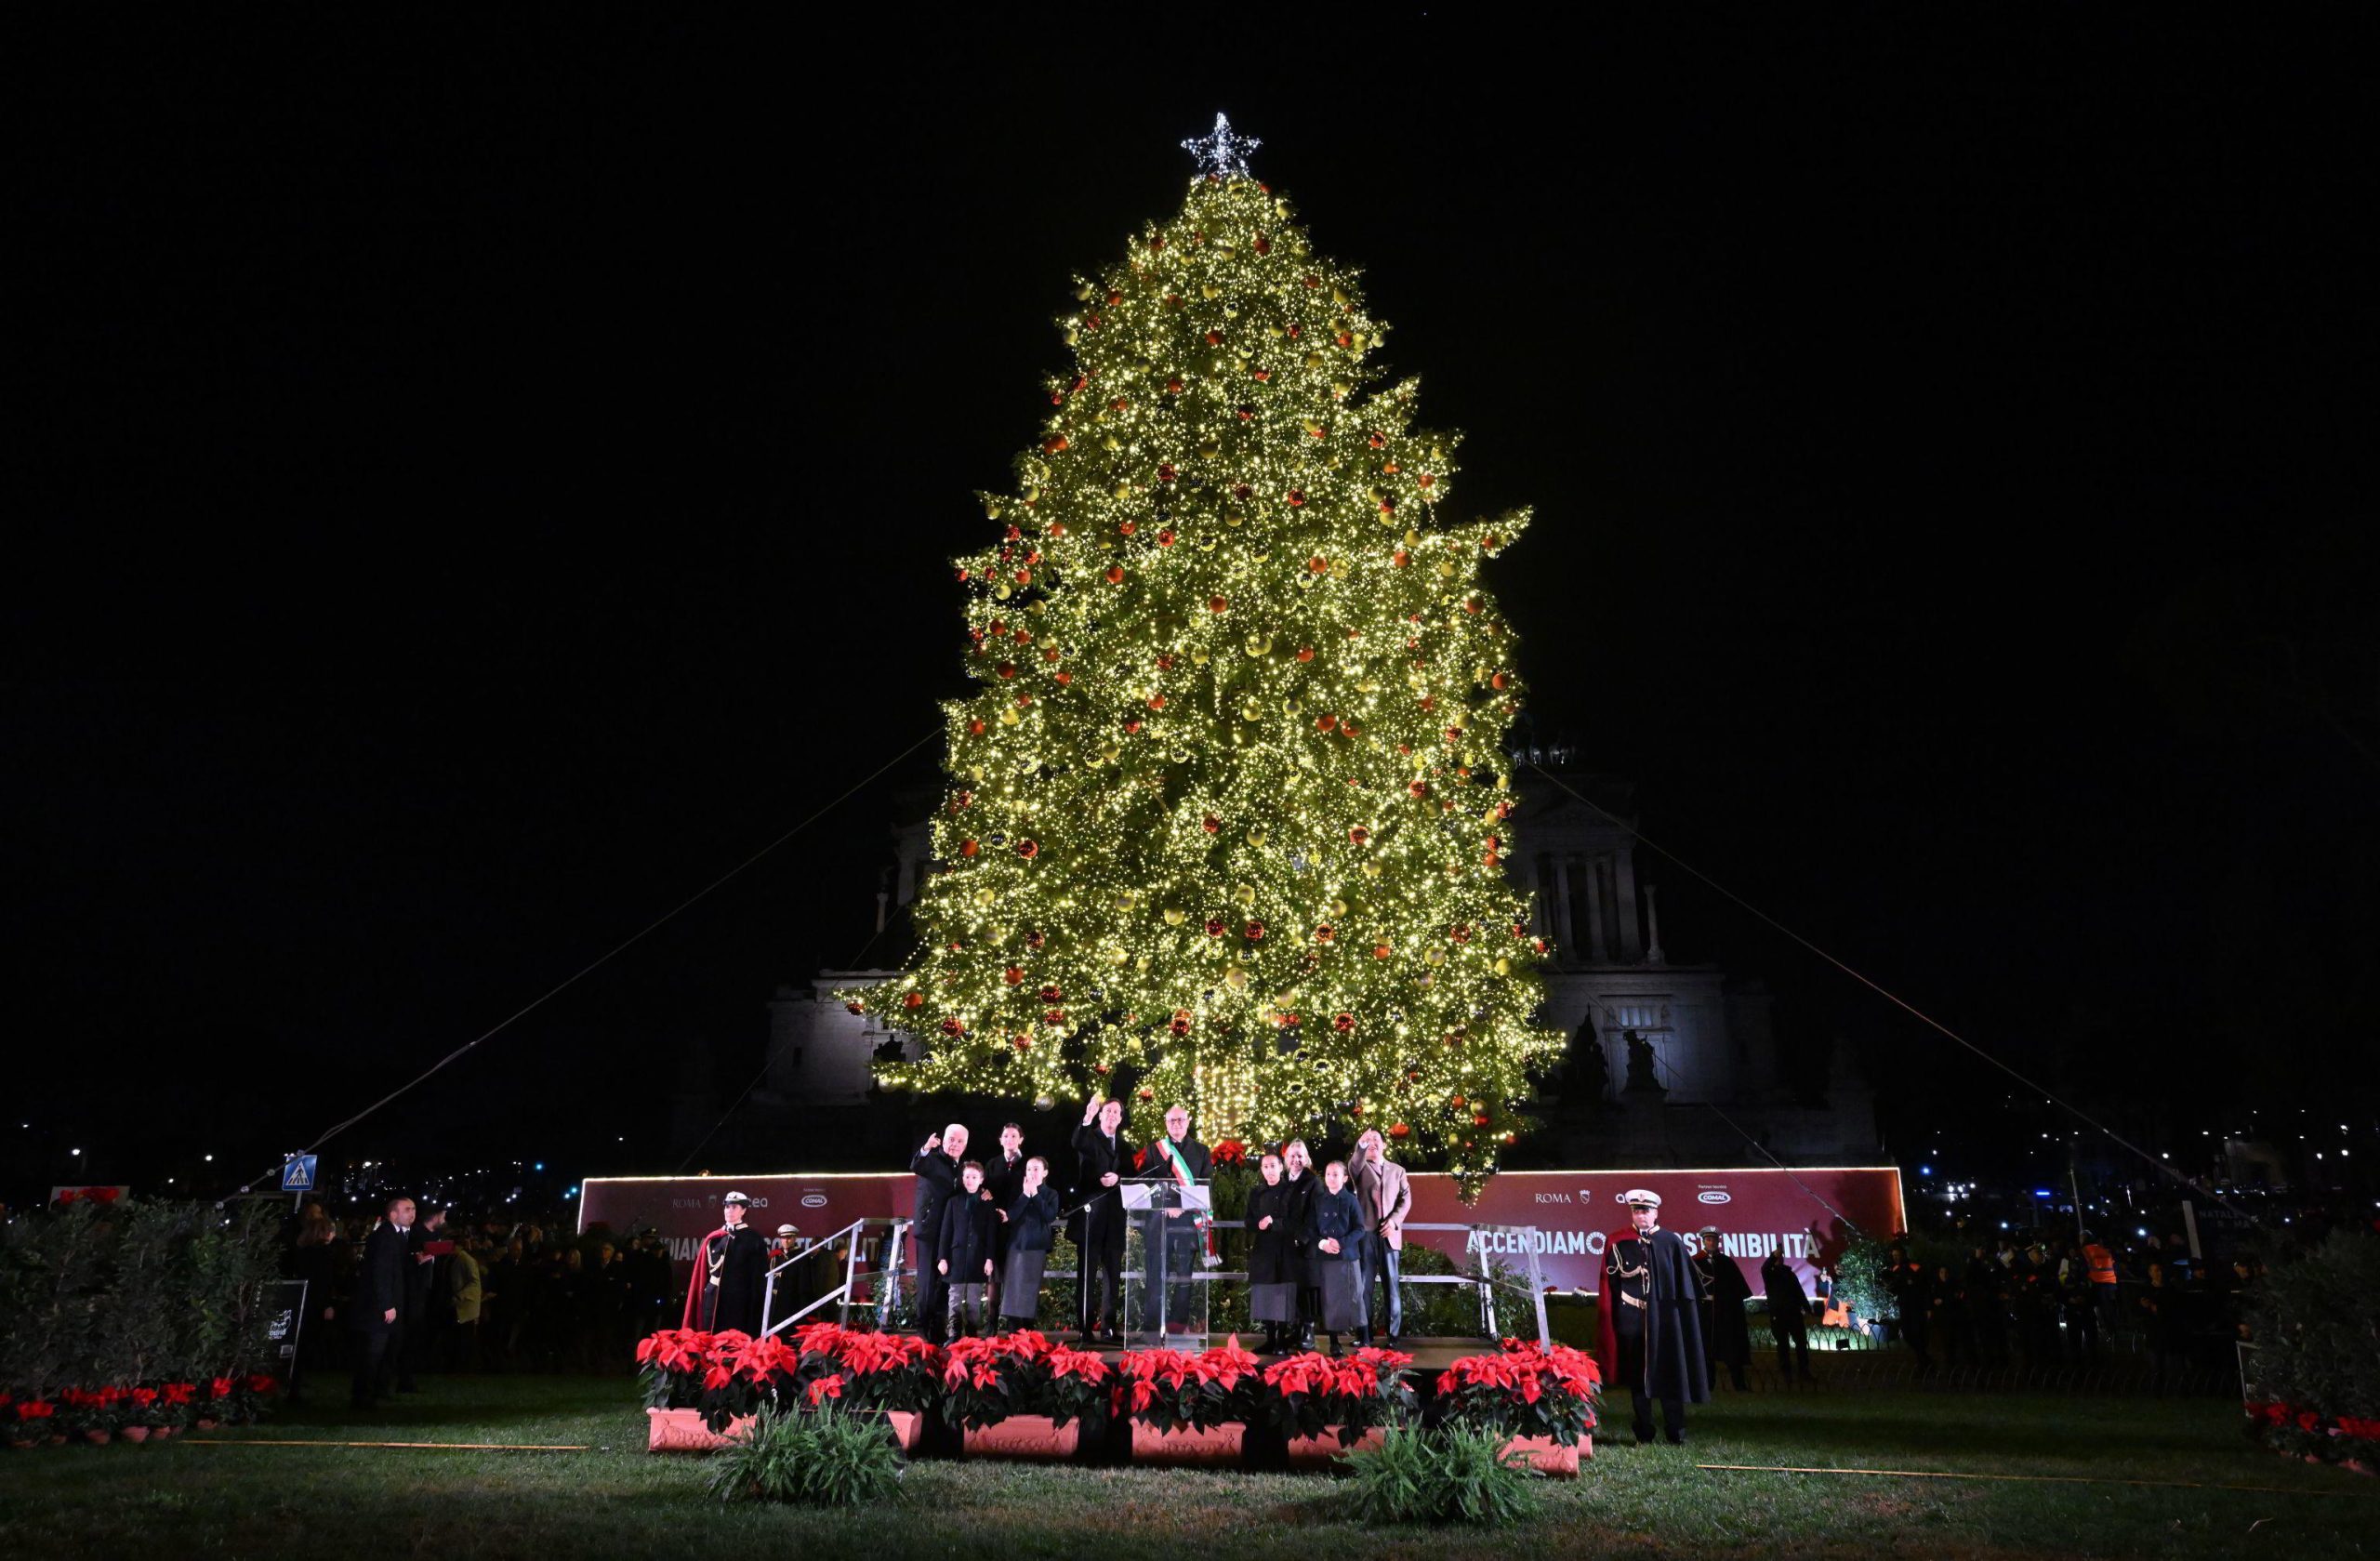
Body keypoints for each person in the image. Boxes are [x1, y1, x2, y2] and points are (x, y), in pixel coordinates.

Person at [1596, 1190, 1709, 1445]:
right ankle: (1644, 1432)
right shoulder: (1617, 1241)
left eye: (1645, 1211)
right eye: (1636, 1211)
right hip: (1633, 1319)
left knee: (1670, 1373)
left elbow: (1685, 1286)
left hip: (1666, 1321)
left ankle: (1675, 1431)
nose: (1641, 1215)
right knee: (1638, 1379)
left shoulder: (1670, 1242)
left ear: (1656, 1213)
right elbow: (1610, 1283)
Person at [1130, 1102, 1212, 1336]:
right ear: (1166, 1124)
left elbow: (1207, 1186)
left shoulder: (1202, 1151)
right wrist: (1165, 1206)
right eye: (1172, 1121)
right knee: (1156, 1273)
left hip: (1188, 1222)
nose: (1176, 1124)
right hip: (1159, 1221)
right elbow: (1146, 1183)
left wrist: (1182, 1206)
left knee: (1184, 1275)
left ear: (1188, 1122)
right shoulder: (1155, 1150)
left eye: (1180, 1120)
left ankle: (1177, 1326)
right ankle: (1152, 1328)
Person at [1071, 1095, 1130, 1343]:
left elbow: (1132, 1175)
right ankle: (1085, 1328)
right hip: (1090, 1218)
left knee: (1113, 1275)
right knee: (1086, 1275)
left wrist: (1119, 1179)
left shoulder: (1125, 1146)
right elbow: (1077, 1141)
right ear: (1100, 1114)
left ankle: (1109, 1326)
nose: (1112, 1115)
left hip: (1115, 1220)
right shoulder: (1089, 1136)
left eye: (1117, 1112)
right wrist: (1086, 1117)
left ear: (1121, 1118)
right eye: (1108, 1111)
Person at [350, 1195, 415, 1409]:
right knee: (373, 1353)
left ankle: (377, 1391)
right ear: (393, 1214)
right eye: (407, 1209)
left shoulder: (397, 1236)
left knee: (386, 1351)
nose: (412, 1214)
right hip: (379, 1307)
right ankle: (363, 1396)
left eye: (413, 1209)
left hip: (390, 1304)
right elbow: (381, 1272)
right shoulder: (385, 1237)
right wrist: (387, 1304)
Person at [1351, 1129, 1412, 1343]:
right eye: (1368, 1140)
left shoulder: (1398, 1171)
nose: (1373, 1143)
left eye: (1376, 1139)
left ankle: (1393, 1336)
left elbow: (1406, 1199)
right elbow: (1353, 1164)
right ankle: (1364, 1335)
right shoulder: (1359, 1168)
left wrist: (1394, 1221)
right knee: (1363, 1287)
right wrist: (1361, 1145)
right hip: (1365, 1236)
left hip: (1389, 1235)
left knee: (1392, 1287)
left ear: (1385, 1145)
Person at [909, 1124, 969, 1343]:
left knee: (945, 1282)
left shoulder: (963, 1168)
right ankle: (922, 1328)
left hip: (950, 1233)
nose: (955, 1144)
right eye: (951, 1139)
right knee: (927, 1281)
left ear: (965, 1145)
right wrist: (926, 1148)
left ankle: (938, 1329)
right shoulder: (932, 1160)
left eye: (960, 1141)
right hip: (929, 1230)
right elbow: (917, 1164)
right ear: (943, 1140)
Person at [1306, 1160, 1370, 1353]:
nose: (1331, 1178)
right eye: (1328, 1174)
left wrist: (1341, 1243)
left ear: (1344, 1178)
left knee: (1355, 1297)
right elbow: (1311, 1229)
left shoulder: (1351, 1200)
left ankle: (1364, 1339)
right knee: (1330, 1300)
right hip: (1326, 1257)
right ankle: (1334, 1342)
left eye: (1335, 1175)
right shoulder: (1318, 1200)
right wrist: (1323, 1243)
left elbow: (1360, 1229)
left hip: (1347, 1257)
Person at [686, 1191, 769, 1336]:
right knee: (709, 1336)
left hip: (738, 1298)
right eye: (727, 1207)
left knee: (733, 1339)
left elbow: (758, 1278)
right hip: (713, 1295)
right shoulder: (714, 1238)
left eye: (734, 1207)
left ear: (744, 1210)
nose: (729, 1210)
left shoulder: (754, 1239)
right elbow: (703, 1273)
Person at [997, 1156, 1060, 1332]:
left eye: (1036, 1169)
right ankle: (1013, 1327)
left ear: (1045, 1173)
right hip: (1017, 1245)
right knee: (1013, 1287)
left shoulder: (1051, 1194)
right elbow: (1011, 1216)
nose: (1032, 1172)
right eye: (1029, 1169)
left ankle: (1028, 1328)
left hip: (1037, 1246)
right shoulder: (1018, 1190)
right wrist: (1026, 1194)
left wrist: (1035, 1195)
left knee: (1031, 1287)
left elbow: (1049, 1216)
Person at [1245, 1151, 1300, 1354]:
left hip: (1285, 1249)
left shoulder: (1291, 1191)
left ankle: (1281, 1341)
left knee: (1282, 1294)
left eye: (1273, 1166)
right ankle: (1269, 1340)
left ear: (1281, 1167)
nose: (1269, 1171)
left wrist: (1274, 1223)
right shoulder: (1256, 1193)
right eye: (1265, 1167)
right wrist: (1257, 1224)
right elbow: (1248, 1221)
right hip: (1264, 1249)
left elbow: (1296, 1221)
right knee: (1266, 1295)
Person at [937, 1160, 998, 1339]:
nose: (970, 1180)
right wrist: (942, 1258)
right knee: (954, 1297)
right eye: (967, 1176)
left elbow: (991, 1234)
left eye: (974, 1177)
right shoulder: (953, 1202)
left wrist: (989, 1259)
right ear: (962, 1178)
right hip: (955, 1257)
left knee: (974, 1299)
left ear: (981, 1179)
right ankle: (954, 1333)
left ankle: (972, 1334)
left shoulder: (988, 1203)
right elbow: (946, 1232)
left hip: (977, 1258)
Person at [1694, 1227, 1754, 1391]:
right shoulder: (1695, 1262)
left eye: (1714, 1240)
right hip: (1704, 1315)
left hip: (1725, 1315)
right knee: (1706, 1351)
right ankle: (1707, 1385)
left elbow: (1739, 1289)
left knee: (1731, 1349)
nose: (1711, 1243)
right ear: (1703, 1241)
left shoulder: (1727, 1262)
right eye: (1708, 1240)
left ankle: (1739, 1385)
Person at [982, 1123, 1027, 1316]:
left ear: (1021, 1140)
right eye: (1006, 1136)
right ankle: (991, 1323)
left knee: (1016, 1277)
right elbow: (983, 1190)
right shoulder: (992, 1164)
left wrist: (1013, 1215)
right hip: (995, 1226)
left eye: (1014, 1136)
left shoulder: (1028, 1165)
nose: (1010, 1139)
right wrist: (985, 1193)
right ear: (1000, 1140)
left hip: (1019, 1227)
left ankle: (1014, 1326)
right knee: (994, 1276)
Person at [1279, 1139, 1320, 1351]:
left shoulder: (1313, 1182)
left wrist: (1302, 1238)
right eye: (1292, 1156)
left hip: (1304, 1246)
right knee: (1291, 1289)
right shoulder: (1283, 1180)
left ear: (1307, 1159)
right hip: (1286, 1245)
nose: (1296, 1160)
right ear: (1286, 1159)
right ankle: (1296, 1329)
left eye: (1300, 1156)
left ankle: (1308, 1330)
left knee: (1306, 1290)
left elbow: (1315, 1214)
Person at [1760, 1245, 1814, 1382]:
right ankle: (1786, 1373)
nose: (1780, 1259)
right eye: (1777, 1257)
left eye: (1781, 1257)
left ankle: (1804, 1371)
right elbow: (1765, 1268)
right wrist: (1773, 1256)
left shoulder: (1790, 1274)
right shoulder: (1769, 1274)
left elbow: (1799, 1292)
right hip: (1778, 1315)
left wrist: (1807, 1308)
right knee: (1782, 1344)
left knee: (1801, 1343)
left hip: (1794, 1313)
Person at [447, 1236, 484, 1373]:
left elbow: (474, 1282)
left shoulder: (466, 1260)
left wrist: (460, 1296)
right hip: (460, 1303)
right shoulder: (458, 1259)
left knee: (465, 1337)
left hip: (464, 1304)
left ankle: (465, 1366)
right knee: (461, 1337)